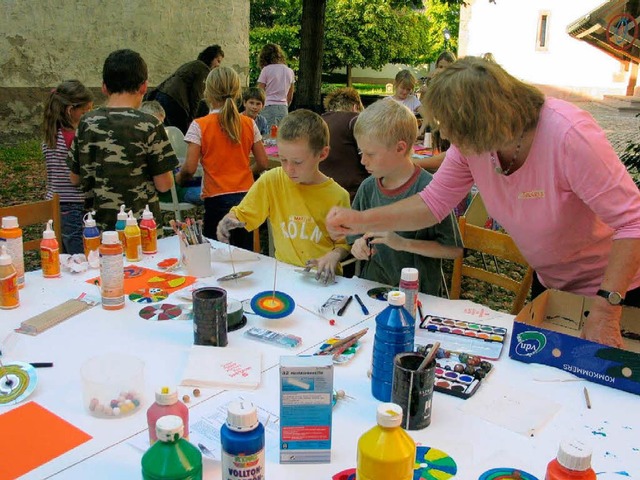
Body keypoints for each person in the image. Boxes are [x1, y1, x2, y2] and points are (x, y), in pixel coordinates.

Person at [326, 56, 640, 348]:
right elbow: (431, 204)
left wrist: (607, 310)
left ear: (482, 121)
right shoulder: (473, 144)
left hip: (618, 291)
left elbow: (633, 221)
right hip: (554, 285)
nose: (445, 133)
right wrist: (361, 220)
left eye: (449, 126)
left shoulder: (569, 136)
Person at [217, 110, 351, 284]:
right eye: (283, 160)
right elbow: (244, 215)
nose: (289, 169)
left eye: (297, 162)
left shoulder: (337, 195)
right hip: (283, 276)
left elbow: (344, 244)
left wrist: (334, 256)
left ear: (322, 154)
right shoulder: (272, 180)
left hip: (322, 280)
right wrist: (230, 219)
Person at [349, 99, 462, 296]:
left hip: (418, 297)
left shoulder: (431, 190)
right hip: (373, 291)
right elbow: (355, 236)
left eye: (370, 154)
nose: (362, 160)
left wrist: (403, 244)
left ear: (400, 148)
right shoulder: (368, 188)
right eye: (361, 152)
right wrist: (358, 246)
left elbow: (453, 250)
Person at [68, 49, 178, 232]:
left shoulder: (87, 123)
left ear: (104, 87)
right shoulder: (150, 125)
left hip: (97, 229)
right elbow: (164, 184)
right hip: (143, 229)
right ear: (144, 87)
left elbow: (74, 178)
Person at [176, 66, 269, 250]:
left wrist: (178, 179)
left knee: (217, 255)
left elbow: (190, 169)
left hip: (216, 198)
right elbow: (264, 162)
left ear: (208, 91)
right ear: (237, 92)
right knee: (244, 254)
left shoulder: (199, 125)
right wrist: (245, 172)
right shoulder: (249, 123)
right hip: (245, 198)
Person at [42, 80, 93, 254]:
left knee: (61, 255)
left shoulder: (51, 135)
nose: (88, 116)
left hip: (53, 202)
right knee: (78, 254)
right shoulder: (73, 137)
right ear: (71, 110)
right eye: (85, 112)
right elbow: (79, 173)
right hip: (73, 204)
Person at [150, 45, 224, 134]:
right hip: (176, 102)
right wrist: (192, 120)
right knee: (182, 135)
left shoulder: (193, 65)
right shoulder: (203, 69)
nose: (218, 65)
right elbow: (196, 95)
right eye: (218, 61)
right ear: (211, 57)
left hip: (163, 97)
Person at [320, 87, 368, 201]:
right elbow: (373, 159)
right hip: (353, 195)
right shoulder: (355, 120)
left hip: (320, 192)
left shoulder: (318, 121)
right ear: (355, 107)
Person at [257, 43, 295, 130]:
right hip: (283, 108)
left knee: (268, 137)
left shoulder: (266, 70)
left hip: (268, 107)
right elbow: (290, 95)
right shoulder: (289, 71)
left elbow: (260, 92)